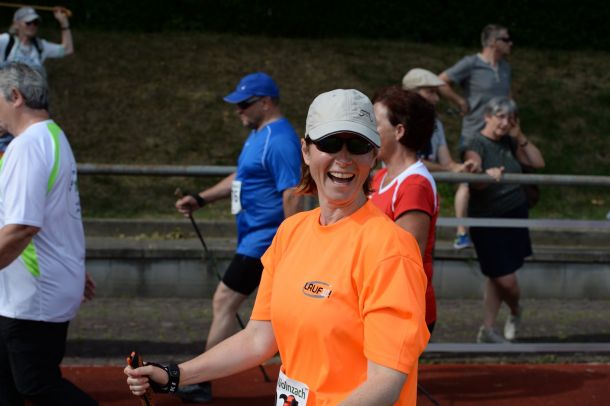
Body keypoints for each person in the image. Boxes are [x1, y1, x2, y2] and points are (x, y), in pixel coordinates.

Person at [127, 89, 430, 405]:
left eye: (357, 145)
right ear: (306, 151)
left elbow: (386, 381)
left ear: (373, 155)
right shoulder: (290, 232)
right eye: (329, 143)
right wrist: (175, 375)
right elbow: (259, 337)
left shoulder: (391, 250)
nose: (344, 158)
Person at [174, 72, 302, 402]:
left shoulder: (279, 140)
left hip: (265, 242)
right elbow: (242, 176)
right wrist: (201, 198)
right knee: (239, 305)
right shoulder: (259, 135)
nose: (238, 110)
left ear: (266, 102)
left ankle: (200, 381)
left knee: (225, 300)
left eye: (244, 104)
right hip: (253, 239)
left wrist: (292, 247)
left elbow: (292, 193)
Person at [0, 62, 96, 405]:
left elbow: (22, 228)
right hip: (34, 290)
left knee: (35, 384)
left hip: (31, 297)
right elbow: (60, 216)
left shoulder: (27, 146)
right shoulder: (53, 135)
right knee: (8, 384)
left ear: (15, 96)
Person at [463, 97, 544, 343]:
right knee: (505, 278)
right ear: (487, 116)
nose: (505, 122)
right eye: (500, 116)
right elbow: (473, 172)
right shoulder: (475, 142)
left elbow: (538, 162)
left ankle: (487, 329)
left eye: (510, 118)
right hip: (487, 219)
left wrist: (520, 136)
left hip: (515, 213)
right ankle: (516, 310)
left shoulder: (510, 141)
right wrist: (483, 174)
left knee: (496, 274)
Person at [370, 86, 439, 333]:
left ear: (399, 131)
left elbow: (405, 259)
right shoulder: (381, 176)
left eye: (375, 124)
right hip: (381, 303)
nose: (367, 131)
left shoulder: (414, 186)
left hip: (401, 310)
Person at [439, 24, 513, 249]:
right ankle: (462, 233)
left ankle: (495, 229)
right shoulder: (471, 63)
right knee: (468, 179)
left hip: (499, 136)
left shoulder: (505, 68)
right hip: (473, 134)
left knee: (500, 179)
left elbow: (509, 97)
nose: (511, 43)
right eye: (506, 39)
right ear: (492, 42)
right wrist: (460, 101)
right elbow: (441, 81)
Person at [402, 68, 479, 249]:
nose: (436, 98)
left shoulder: (436, 124)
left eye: (436, 93)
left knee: (426, 256)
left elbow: (447, 163)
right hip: (403, 197)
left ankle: (461, 234)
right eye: (430, 92)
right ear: (411, 93)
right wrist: (448, 169)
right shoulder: (398, 122)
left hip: (426, 201)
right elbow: (408, 162)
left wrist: (461, 167)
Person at [0, 6, 73, 75]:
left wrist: (64, 23)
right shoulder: (6, 40)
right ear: (16, 24)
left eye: (35, 22)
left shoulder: (40, 46)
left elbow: (67, 49)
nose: (32, 26)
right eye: (28, 22)